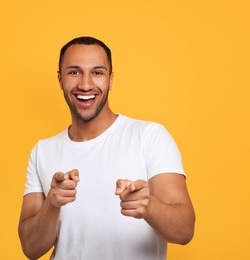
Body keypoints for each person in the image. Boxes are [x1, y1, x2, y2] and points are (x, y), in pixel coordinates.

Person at [18, 36, 195, 260]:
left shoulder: (150, 136)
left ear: (110, 79)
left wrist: (148, 206)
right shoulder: (42, 151)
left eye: (97, 72)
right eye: (74, 72)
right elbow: (30, 249)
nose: (85, 84)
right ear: (60, 78)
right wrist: (52, 204)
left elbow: (185, 231)